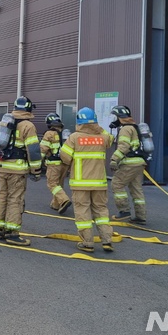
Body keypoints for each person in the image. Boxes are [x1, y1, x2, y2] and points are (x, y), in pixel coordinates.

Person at [59, 107, 115, 253]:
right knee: (101, 211)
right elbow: (111, 138)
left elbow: (64, 157)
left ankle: (88, 242)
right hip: (99, 183)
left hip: (80, 183)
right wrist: (97, 127)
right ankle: (107, 240)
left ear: (79, 121)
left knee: (82, 212)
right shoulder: (103, 138)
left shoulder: (74, 137)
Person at [0, 96, 42, 246]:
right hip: (17, 168)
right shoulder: (28, 126)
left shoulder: (6, 120)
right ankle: (12, 233)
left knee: (2, 196)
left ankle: (0, 229)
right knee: (15, 199)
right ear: (28, 108)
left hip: (2, 166)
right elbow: (33, 150)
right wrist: (36, 170)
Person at [109, 105, 147, 224]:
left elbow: (124, 146)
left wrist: (114, 159)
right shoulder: (134, 127)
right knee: (136, 189)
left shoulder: (125, 129)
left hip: (129, 163)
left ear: (119, 117)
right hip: (139, 162)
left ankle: (124, 211)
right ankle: (141, 216)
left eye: (116, 117)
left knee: (117, 184)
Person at [40, 112, 72, 214]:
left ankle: (64, 200)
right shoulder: (66, 133)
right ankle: (56, 204)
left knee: (52, 184)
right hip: (65, 164)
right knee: (59, 184)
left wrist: (36, 163)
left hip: (54, 163)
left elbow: (43, 149)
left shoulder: (49, 134)